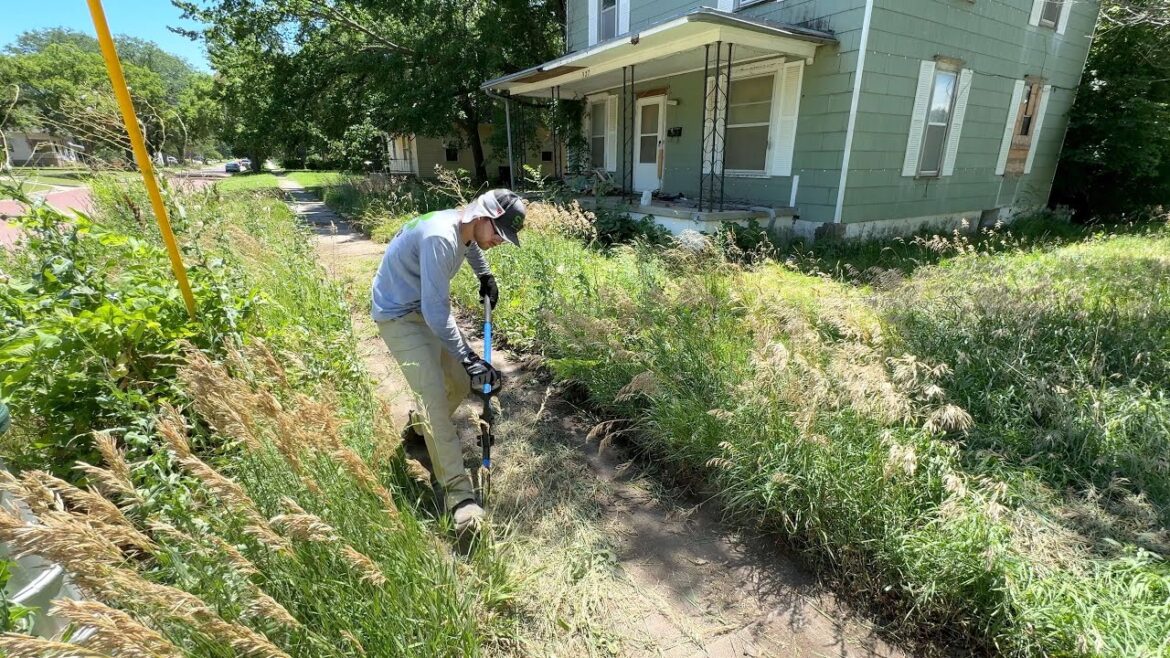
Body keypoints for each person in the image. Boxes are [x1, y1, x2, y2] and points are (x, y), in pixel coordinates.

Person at [371, 188, 525, 533]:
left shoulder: (463, 225)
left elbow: (470, 246)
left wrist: (484, 275)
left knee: (456, 382)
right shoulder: (441, 237)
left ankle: (418, 429)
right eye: (500, 232)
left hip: (421, 307)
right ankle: (458, 496)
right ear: (483, 215)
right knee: (436, 401)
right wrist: (470, 357)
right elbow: (437, 314)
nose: (501, 241)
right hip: (398, 314)